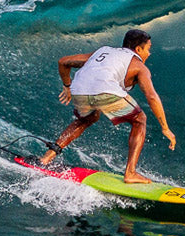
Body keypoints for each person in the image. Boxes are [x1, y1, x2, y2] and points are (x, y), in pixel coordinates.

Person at [36, 29, 176, 184]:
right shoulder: (139, 66)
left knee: (86, 119)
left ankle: (46, 157)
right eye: (148, 49)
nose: (149, 54)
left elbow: (63, 61)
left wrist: (67, 86)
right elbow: (151, 96)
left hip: (79, 90)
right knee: (139, 119)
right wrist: (165, 127)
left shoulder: (103, 51)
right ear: (138, 49)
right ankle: (130, 173)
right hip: (106, 91)